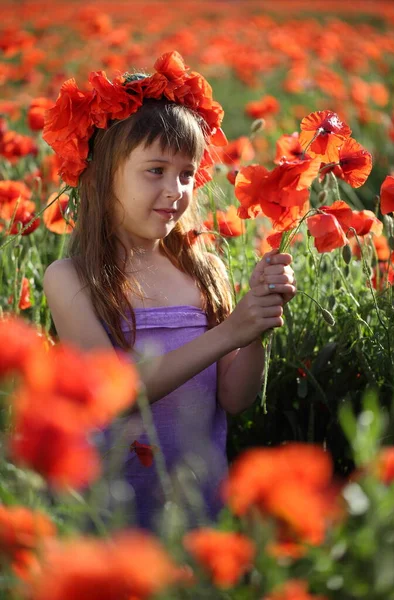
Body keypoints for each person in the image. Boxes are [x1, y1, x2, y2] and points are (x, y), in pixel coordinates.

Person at [42, 51, 297, 532]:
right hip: (113, 508)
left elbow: (235, 397)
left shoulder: (204, 270)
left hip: (196, 501)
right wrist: (230, 332)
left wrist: (257, 327)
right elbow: (114, 395)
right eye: (155, 171)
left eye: (186, 173)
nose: (176, 190)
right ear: (99, 176)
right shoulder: (72, 276)